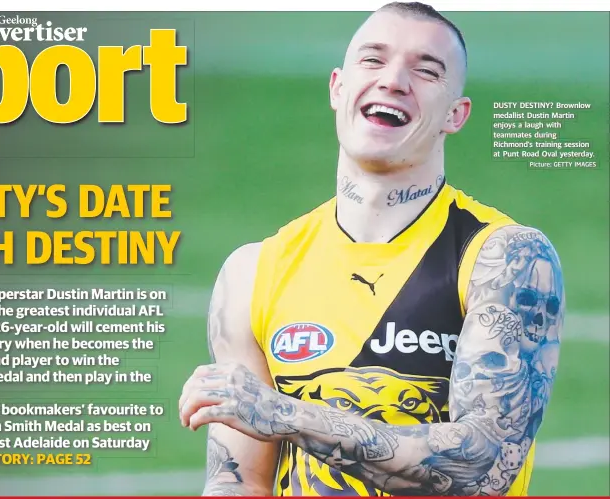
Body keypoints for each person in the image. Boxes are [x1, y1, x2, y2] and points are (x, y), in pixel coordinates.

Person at [179, 2, 564, 496]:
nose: (394, 80)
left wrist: (282, 413)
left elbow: (480, 467)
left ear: (456, 114)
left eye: (426, 70)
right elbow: (239, 482)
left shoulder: (505, 260)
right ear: (338, 88)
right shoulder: (254, 271)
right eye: (373, 60)